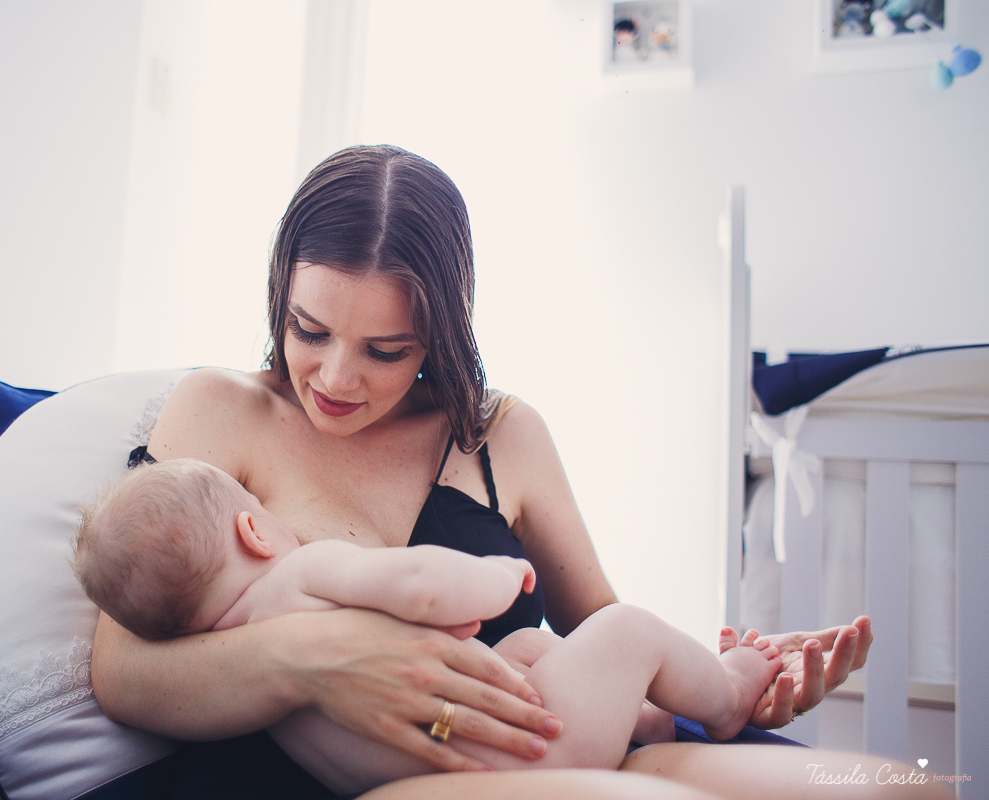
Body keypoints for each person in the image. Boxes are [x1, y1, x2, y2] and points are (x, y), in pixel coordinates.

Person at [91, 144, 941, 800]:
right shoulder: (221, 412)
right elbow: (123, 671)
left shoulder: (501, 433)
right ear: (280, 292)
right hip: (420, 777)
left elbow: (605, 628)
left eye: (385, 350)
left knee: (903, 789)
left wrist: (735, 682)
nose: (336, 378)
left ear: (442, 336)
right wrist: (316, 658)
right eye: (308, 330)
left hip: (556, 735)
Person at [73, 457, 785, 795]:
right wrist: (497, 576)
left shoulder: (231, 676)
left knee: (529, 646)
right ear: (255, 530)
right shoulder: (300, 571)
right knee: (627, 630)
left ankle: (651, 722)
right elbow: (418, 584)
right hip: (537, 753)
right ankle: (725, 695)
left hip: (446, 774)